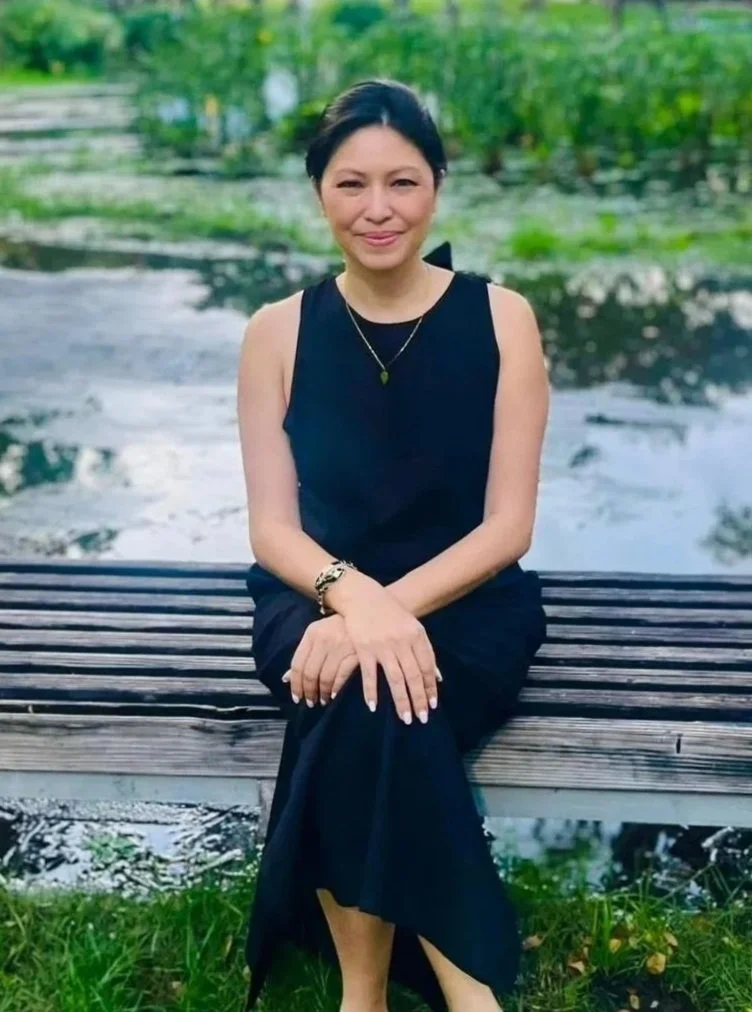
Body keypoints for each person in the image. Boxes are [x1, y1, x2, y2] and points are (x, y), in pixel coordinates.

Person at [236, 78, 549, 1012]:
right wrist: (353, 602)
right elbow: (272, 528)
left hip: (470, 600)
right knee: (363, 685)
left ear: (438, 187)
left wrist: (382, 613)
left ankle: (364, 995)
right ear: (319, 193)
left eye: (403, 182)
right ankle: (467, 995)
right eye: (351, 184)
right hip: (313, 595)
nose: (378, 209)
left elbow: (508, 527)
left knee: (359, 690)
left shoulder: (503, 318)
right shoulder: (275, 332)